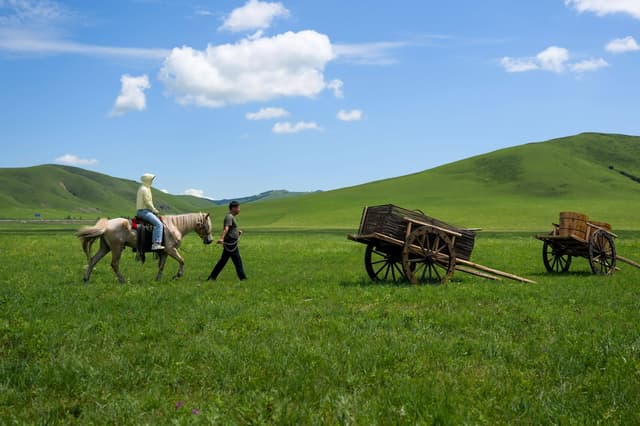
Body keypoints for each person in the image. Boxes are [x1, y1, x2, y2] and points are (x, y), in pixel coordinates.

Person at [207, 201, 246, 281]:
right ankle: (242, 278)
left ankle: (212, 277)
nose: (239, 210)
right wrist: (221, 238)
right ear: (233, 208)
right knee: (237, 260)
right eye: (238, 208)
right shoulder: (229, 217)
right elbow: (226, 228)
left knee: (224, 261)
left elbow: (231, 229)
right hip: (230, 242)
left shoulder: (231, 217)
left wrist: (237, 233)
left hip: (231, 241)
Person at [136, 173, 164, 251]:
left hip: (143, 211)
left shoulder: (143, 188)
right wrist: (154, 210)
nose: (152, 181)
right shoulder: (144, 189)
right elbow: (147, 202)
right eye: (151, 179)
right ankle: (156, 244)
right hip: (144, 211)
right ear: (147, 180)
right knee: (159, 224)